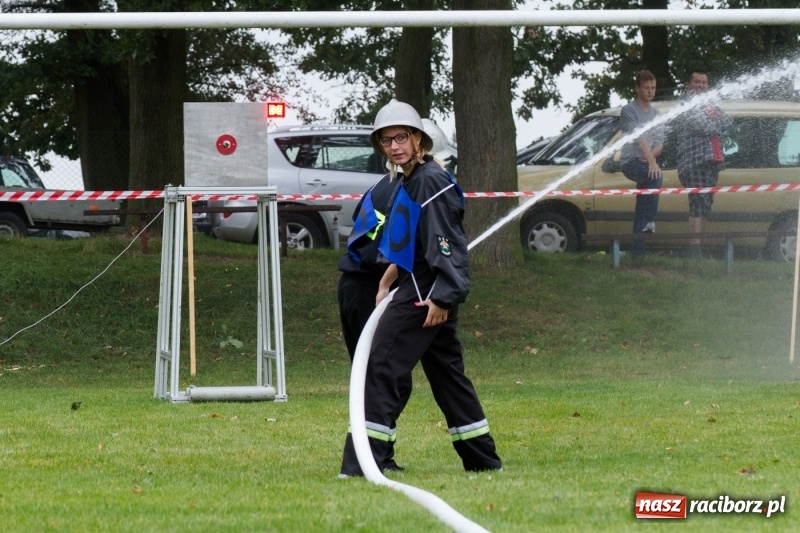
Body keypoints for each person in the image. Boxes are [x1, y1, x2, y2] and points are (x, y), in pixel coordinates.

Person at [338, 99, 502, 477]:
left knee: (380, 364)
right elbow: (406, 241)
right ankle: (482, 459)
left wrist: (444, 297)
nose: (394, 146)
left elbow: (447, 243)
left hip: (426, 291)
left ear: (418, 140)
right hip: (416, 285)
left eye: (401, 138)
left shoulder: (429, 180)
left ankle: (365, 463)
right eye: (386, 140)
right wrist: (385, 282)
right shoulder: (408, 180)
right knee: (447, 373)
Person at [336, 118, 452, 474]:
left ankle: (377, 458)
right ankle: (366, 461)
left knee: (383, 377)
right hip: (368, 287)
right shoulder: (407, 188)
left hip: (363, 287)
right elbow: (399, 249)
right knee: (382, 378)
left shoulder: (388, 185)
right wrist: (390, 285)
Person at [675, 69, 733, 259]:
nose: (701, 86)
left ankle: (699, 248)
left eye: (704, 83)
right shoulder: (685, 104)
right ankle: (694, 250)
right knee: (698, 204)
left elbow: (729, 121)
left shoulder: (710, 104)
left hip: (712, 161)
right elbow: (703, 126)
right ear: (688, 85)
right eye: (697, 82)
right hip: (694, 162)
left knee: (706, 205)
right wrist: (716, 124)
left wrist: (716, 123)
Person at [619, 69, 664, 255]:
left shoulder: (658, 114)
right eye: (646, 87)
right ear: (637, 88)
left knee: (643, 203)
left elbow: (660, 144)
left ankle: (638, 251)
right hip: (631, 162)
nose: (650, 91)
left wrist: (650, 159)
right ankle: (649, 224)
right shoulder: (628, 110)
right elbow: (639, 138)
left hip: (646, 161)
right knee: (656, 177)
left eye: (653, 87)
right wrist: (652, 162)